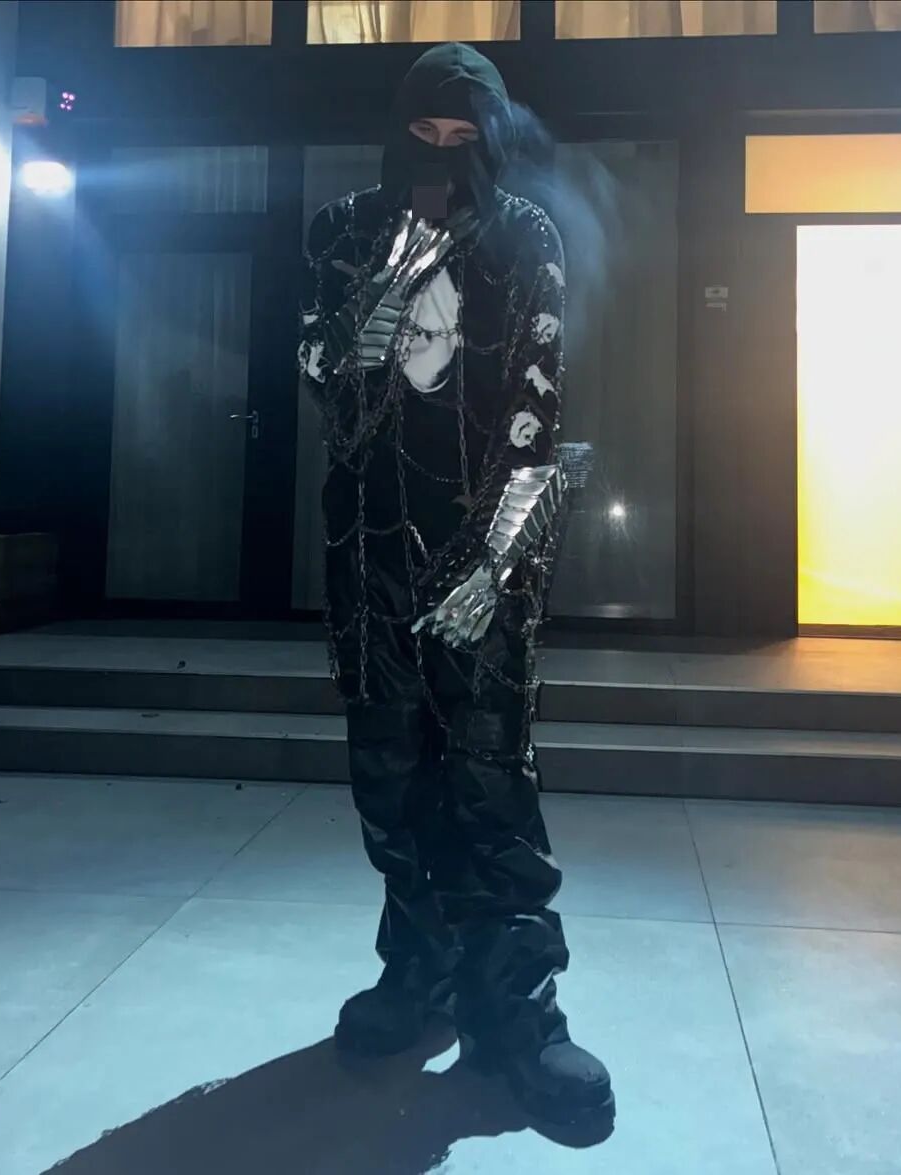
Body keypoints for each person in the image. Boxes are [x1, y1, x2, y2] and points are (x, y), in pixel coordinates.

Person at [298, 42, 613, 1129]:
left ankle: (516, 1009)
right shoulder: (342, 232)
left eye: (463, 138)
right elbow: (331, 393)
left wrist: (495, 565)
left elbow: (538, 415)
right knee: (388, 775)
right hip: (369, 554)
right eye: (423, 135)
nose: (441, 156)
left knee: (489, 778)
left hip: (485, 558)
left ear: (493, 139)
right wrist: (395, 282)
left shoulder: (524, 237)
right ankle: (421, 964)